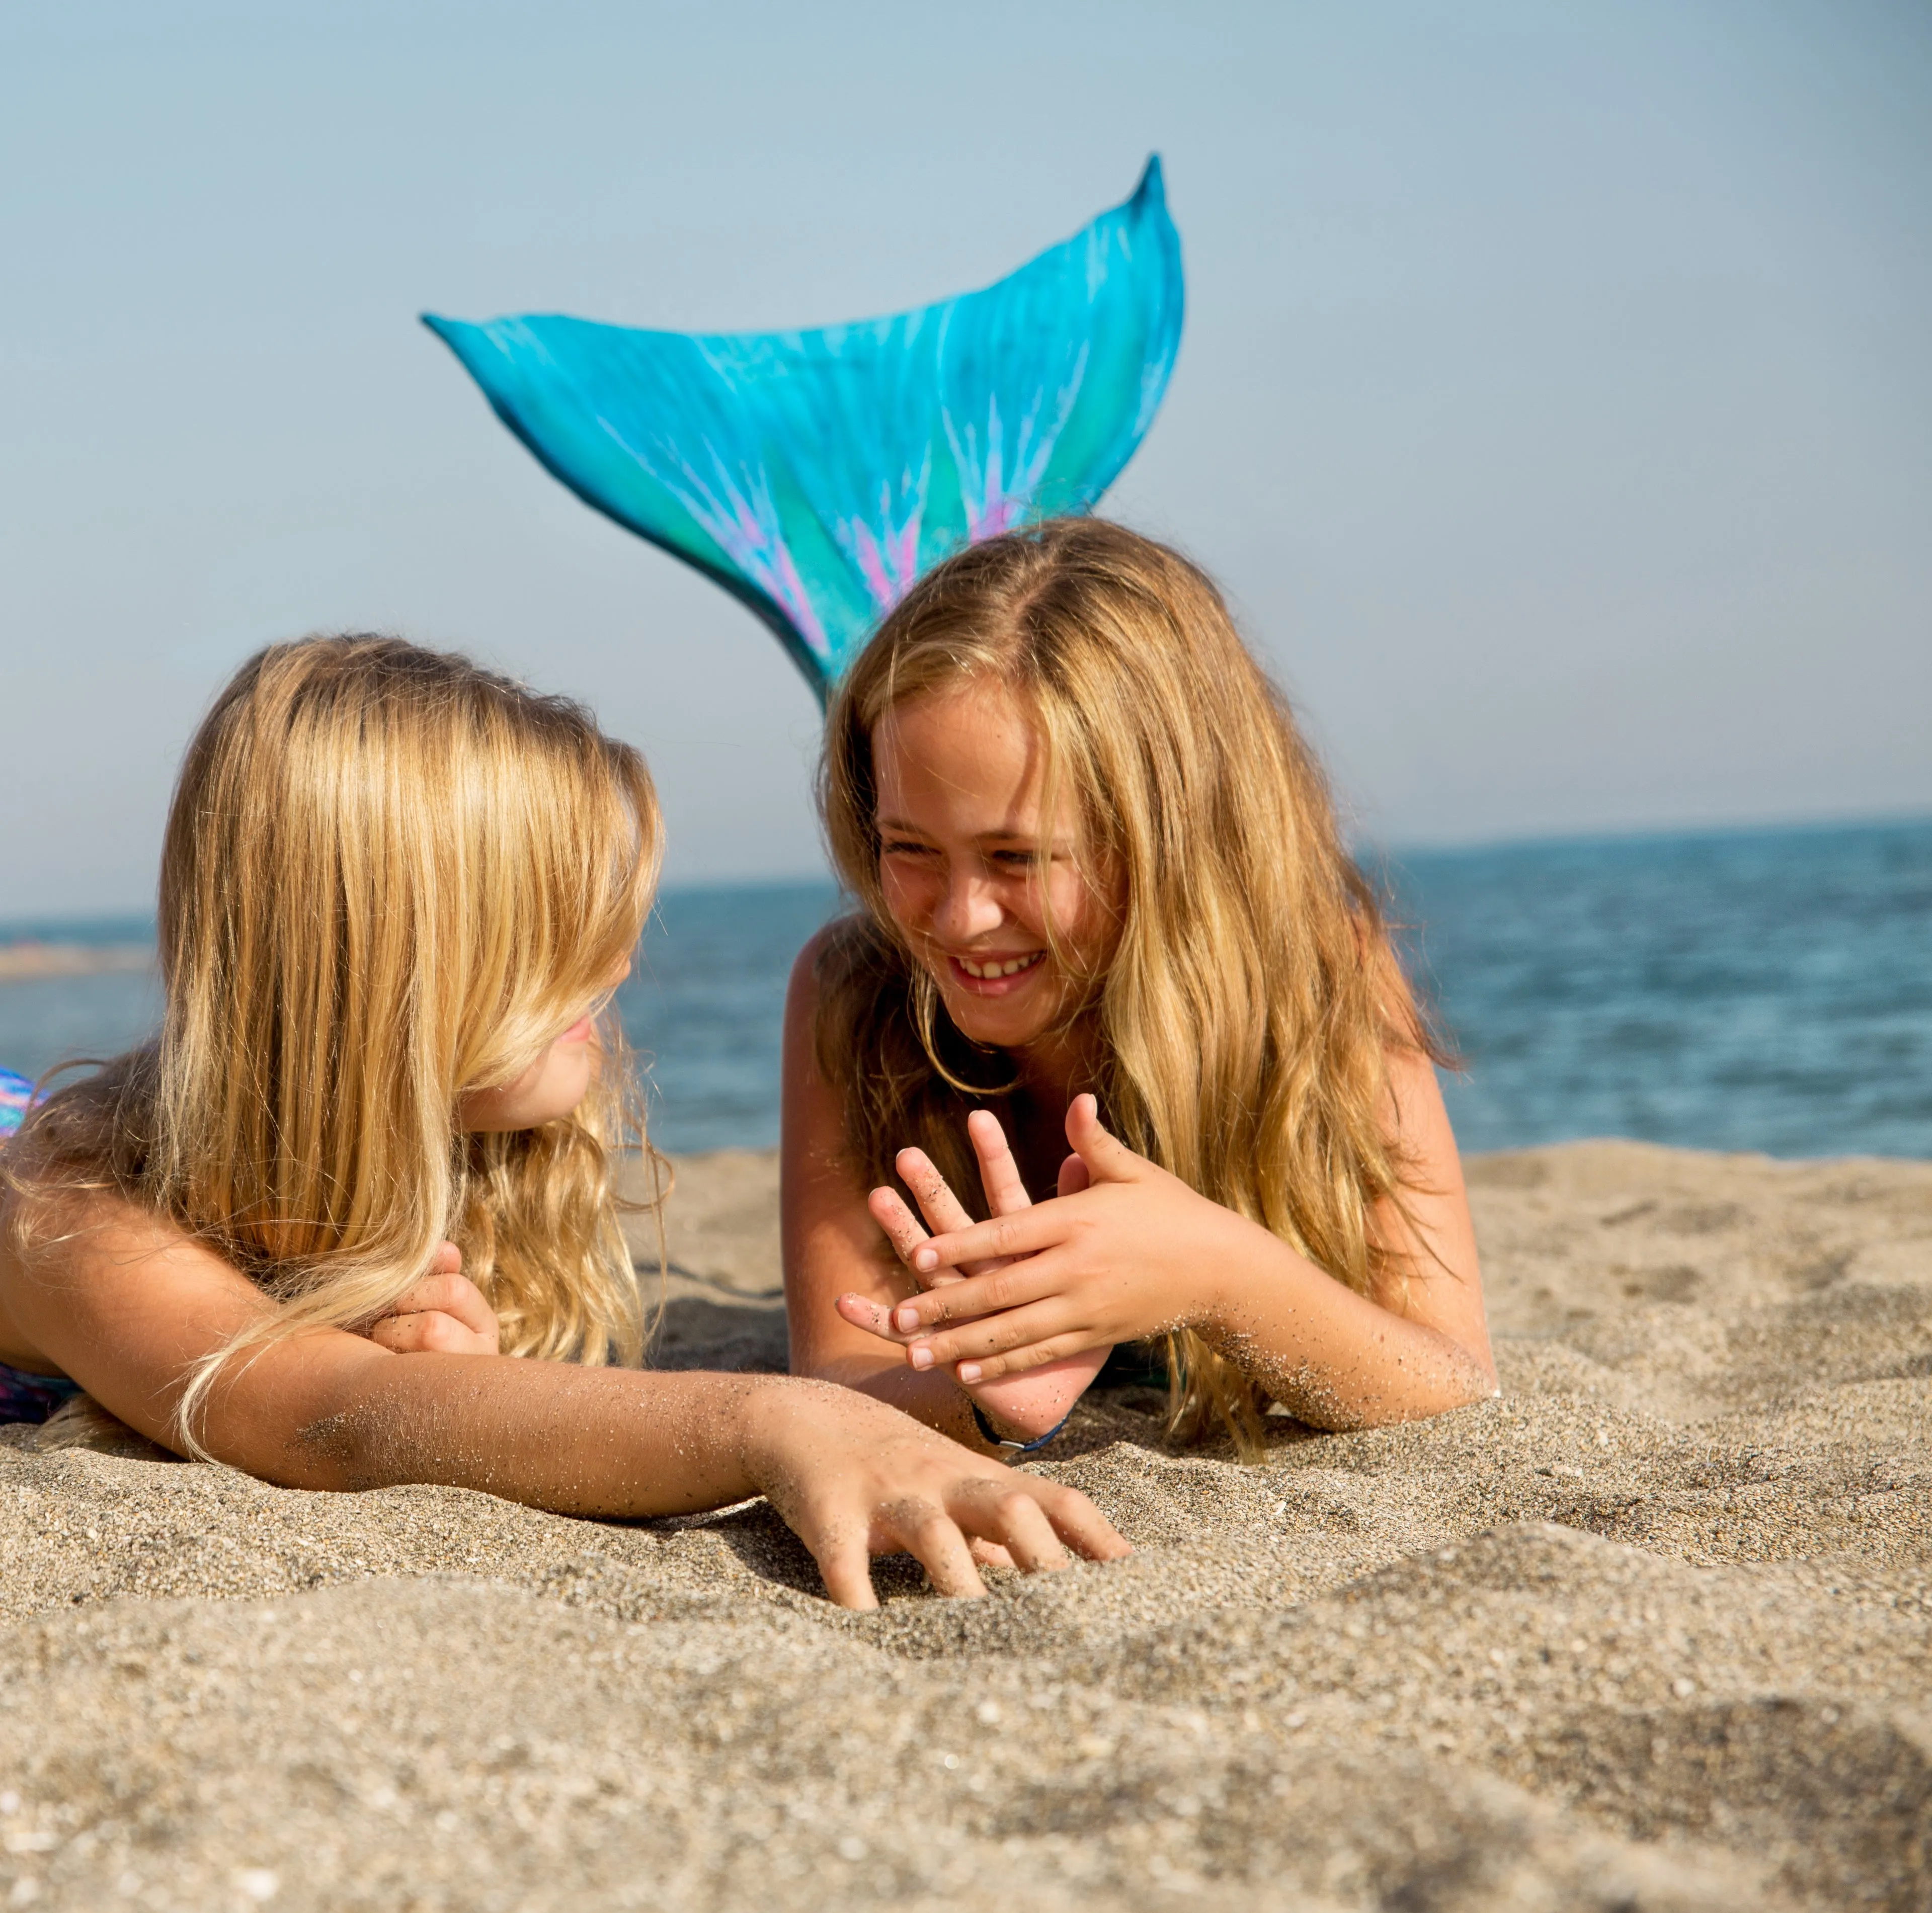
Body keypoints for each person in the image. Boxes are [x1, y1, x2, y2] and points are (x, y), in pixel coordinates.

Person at [0, 636, 1128, 1606]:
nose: (625, 962)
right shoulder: (68, 1210)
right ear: (403, 976)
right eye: (564, 935)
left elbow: (393, 1398)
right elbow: (330, 1419)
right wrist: (780, 1424)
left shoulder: (447, 1168)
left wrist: (461, 1385)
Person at [782, 520, 1498, 1458]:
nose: (959, 919)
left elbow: (1453, 1375)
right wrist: (990, 1398)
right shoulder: (855, 992)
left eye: (1017, 858)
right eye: (909, 848)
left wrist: (1218, 1275)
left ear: (1173, 844)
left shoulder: (1325, 977)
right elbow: (835, 1374)